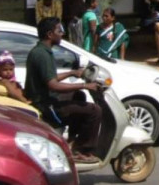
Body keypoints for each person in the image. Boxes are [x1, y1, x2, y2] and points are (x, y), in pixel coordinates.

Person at [25, 17, 102, 164]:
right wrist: (85, 85)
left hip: (46, 99)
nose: (62, 34)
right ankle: (81, 150)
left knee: (78, 95)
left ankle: (72, 140)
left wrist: (72, 73)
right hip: (46, 106)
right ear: (49, 34)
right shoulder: (42, 55)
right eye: (59, 30)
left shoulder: (42, 51)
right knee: (95, 110)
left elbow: (49, 77)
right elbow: (53, 85)